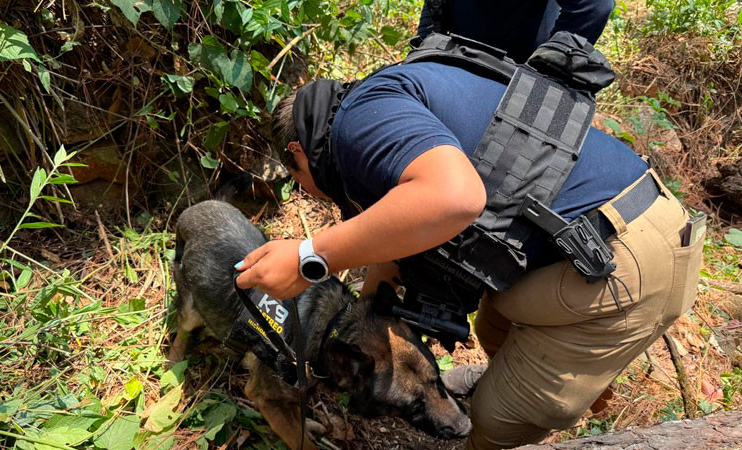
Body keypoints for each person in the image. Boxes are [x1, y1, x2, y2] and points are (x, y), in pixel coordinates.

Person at [233, 55, 703, 448]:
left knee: (491, 423)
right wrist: (371, 311)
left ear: (298, 151)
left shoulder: (355, 128)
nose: (308, 193)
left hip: (626, 258)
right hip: (617, 226)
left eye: (297, 180)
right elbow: (402, 227)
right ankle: (539, 375)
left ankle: (538, 399)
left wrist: (310, 256)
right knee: (495, 321)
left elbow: (455, 198)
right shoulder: (382, 98)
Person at [417, 0, 616, 62]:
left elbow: (594, 7)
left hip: (511, 77)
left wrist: (546, 76)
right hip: (451, 60)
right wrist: (423, 46)